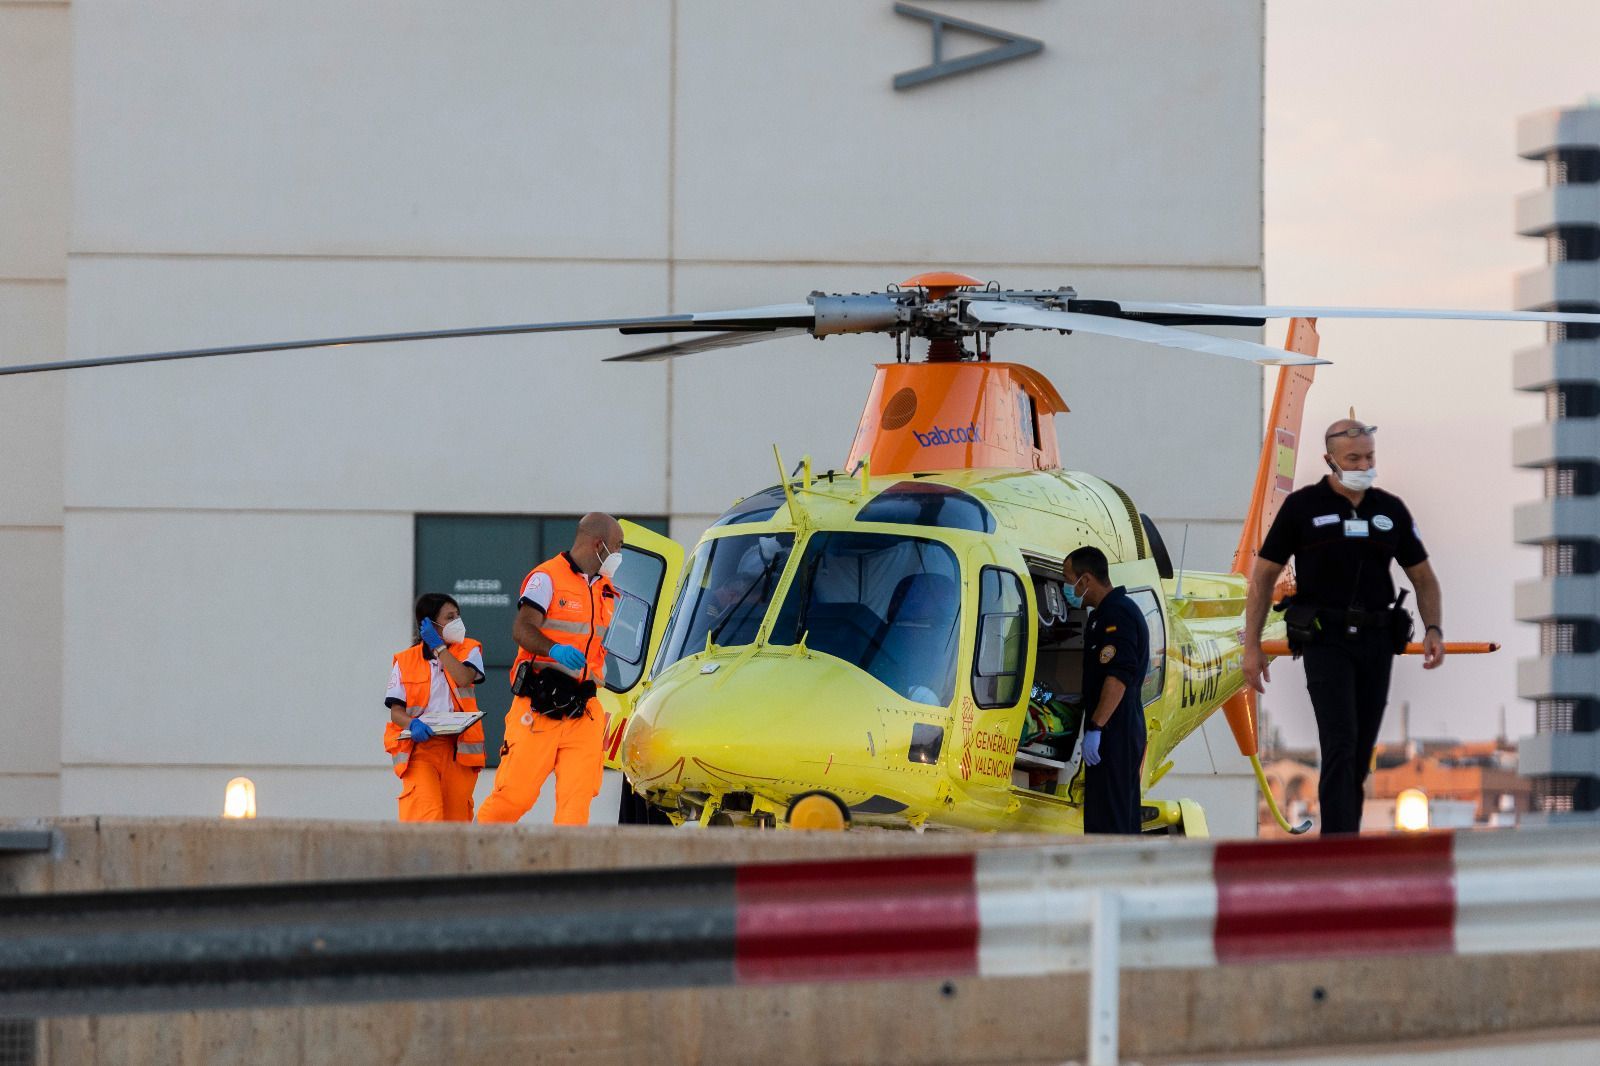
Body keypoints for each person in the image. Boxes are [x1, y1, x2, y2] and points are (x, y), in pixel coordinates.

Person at [1242, 418, 1445, 835]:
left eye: (1369, 456)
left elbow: (1423, 577)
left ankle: (1348, 839)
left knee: (1360, 752)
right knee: (1339, 743)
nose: (1363, 464)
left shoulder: (1390, 510)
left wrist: (1434, 629)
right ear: (1330, 459)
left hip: (1375, 638)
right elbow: (1263, 578)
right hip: (1325, 639)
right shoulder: (1302, 508)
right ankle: (1336, 845)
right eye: (1353, 458)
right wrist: (1252, 647)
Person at [477, 513, 623, 826]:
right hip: (540, 705)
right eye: (617, 545)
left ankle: (565, 873)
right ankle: (475, 863)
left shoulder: (607, 590)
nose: (620, 554)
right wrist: (554, 649)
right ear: (599, 544)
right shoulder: (547, 578)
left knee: (577, 804)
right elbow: (522, 628)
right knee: (514, 797)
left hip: (584, 710)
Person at [1063, 545, 1150, 835]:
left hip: (1116, 732)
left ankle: (1119, 878)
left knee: (1113, 822)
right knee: (1103, 818)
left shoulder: (1118, 615)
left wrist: (1097, 727)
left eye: (1069, 580)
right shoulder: (1103, 614)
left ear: (1085, 580)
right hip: (1111, 732)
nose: (1068, 589)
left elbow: (1118, 677)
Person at [383, 593, 488, 822]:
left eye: (458, 615)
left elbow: (462, 677)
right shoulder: (405, 661)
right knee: (426, 814)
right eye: (450, 617)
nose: (457, 622)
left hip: (457, 750)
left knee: (455, 823)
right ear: (430, 624)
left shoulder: (469, 649)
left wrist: (440, 649)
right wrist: (413, 724)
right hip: (421, 748)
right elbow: (396, 711)